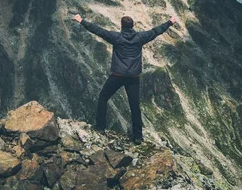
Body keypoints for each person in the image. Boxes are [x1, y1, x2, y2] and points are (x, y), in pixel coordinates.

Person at [73, 13, 176, 144]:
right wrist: (170, 22)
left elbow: (98, 30)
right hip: (133, 77)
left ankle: (100, 127)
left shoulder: (116, 37)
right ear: (133, 26)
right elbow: (156, 31)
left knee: (103, 97)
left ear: (121, 26)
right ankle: (138, 136)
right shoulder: (140, 37)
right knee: (134, 105)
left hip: (117, 76)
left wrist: (81, 20)